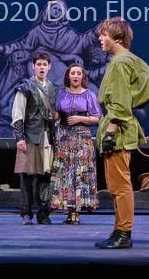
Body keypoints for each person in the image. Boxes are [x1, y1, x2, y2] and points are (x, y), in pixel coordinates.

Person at [93, 17, 149, 249]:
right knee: (117, 185)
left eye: (104, 34)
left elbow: (119, 101)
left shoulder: (120, 63)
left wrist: (110, 132)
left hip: (117, 128)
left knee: (120, 185)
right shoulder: (128, 60)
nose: (100, 39)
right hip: (118, 125)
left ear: (117, 38)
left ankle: (124, 232)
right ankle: (119, 230)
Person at [50, 63, 101, 225]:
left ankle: (76, 211)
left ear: (83, 77)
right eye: (73, 73)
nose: (76, 76)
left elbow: (97, 118)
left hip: (82, 138)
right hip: (64, 138)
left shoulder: (89, 95)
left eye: (79, 73)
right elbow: (56, 114)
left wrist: (81, 118)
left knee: (79, 173)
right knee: (66, 173)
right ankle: (68, 210)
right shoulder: (61, 94)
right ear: (68, 76)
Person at [10, 52, 57, 225]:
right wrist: (20, 138)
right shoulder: (26, 87)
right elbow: (18, 114)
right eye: (39, 64)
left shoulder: (52, 88)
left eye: (44, 64)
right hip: (30, 136)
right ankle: (26, 212)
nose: (42, 67)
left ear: (49, 67)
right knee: (28, 176)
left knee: (45, 176)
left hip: (47, 137)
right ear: (33, 66)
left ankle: (43, 213)